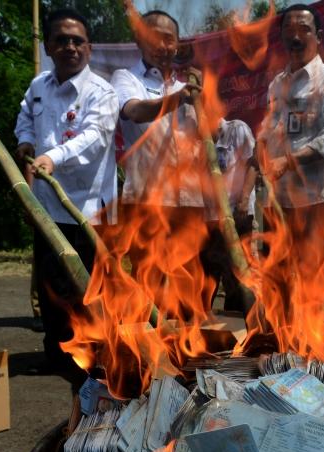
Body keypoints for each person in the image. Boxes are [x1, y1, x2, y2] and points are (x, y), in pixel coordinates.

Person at [15, 8, 119, 376]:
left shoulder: (103, 93)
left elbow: (93, 138)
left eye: (77, 41)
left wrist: (52, 157)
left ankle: (92, 357)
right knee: (51, 286)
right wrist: (26, 141)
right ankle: (58, 354)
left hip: (89, 208)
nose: (70, 47)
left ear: (89, 48)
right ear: (49, 46)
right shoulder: (39, 86)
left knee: (88, 287)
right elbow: (26, 116)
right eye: (61, 40)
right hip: (47, 206)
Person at [110, 10, 208, 320]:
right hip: (147, 199)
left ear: (178, 45)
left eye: (169, 39)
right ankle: (152, 355)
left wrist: (203, 102)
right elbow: (135, 111)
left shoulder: (187, 85)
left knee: (189, 285)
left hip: (189, 202)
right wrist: (178, 100)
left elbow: (207, 136)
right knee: (149, 283)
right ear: (139, 38)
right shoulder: (126, 78)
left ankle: (186, 354)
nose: (162, 45)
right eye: (154, 37)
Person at [256, 3, 324, 267]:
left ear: (318, 37)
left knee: (310, 281)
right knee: (276, 278)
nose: (295, 37)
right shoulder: (277, 84)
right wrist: (259, 147)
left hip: (314, 200)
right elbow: (269, 130)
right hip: (277, 200)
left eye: (304, 30)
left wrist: (287, 161)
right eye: (289, 30)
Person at [201, 117, 258, 313]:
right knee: (208, 271)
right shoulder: (199, 137)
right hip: (210, 217)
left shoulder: (238, 129)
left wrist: (244, 199)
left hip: (237, 214)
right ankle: (203, 321)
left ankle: (239, 321)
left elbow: (254, 162)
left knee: (237, 273)